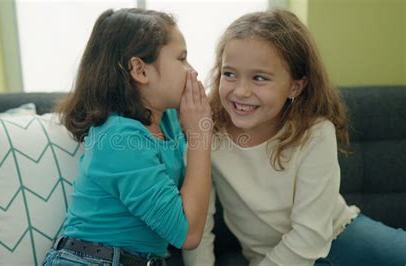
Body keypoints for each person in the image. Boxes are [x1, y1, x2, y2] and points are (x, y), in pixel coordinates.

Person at [183, 9, 406, 266]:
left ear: (295, 86)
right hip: (275, 258)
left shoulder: (315, 132)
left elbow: (310, 235)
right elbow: (197, 224)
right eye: (229, 74)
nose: (241, 91)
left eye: (259, 78)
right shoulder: (207, 133)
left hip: (342, 236)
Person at [43, 8, 213, 266]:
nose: (193, 72)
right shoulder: (119, 138)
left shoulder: (167, 119)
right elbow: (188, 234)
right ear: (139, 70)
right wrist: (201, 137)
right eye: (182, 59)